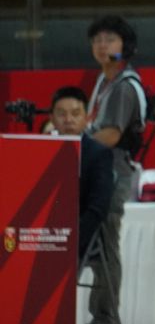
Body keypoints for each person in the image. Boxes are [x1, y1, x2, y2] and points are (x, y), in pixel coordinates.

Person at [79, 15, 146, 324]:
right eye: (97, 39)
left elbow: (109, 135)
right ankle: (99, 317)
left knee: (105, 245)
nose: (101, 45)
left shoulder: (123, 86)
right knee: (96, 245)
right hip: (98, 172)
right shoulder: (103, 82)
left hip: (113, 175)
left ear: (126, 47)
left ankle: (105, 320)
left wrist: (75, 140)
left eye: (110, 39)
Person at [49, 86, 113, 262]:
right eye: (61, 114)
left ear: (87, 118)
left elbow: (98, 207)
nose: (68, 120)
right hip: (41, 233)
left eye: (75, 113)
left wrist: (72, 238)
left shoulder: (99, 154)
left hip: (79, 235)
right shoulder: (41, 150)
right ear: (52, 118)